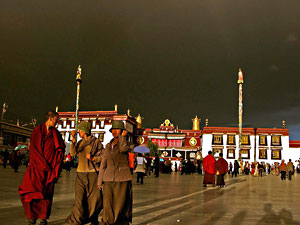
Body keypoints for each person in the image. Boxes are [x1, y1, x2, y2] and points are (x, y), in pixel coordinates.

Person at [18, 110, 65, 225]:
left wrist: (53, 168)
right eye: (56, 119)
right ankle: (32, 216)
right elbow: (34, 150)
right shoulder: (37, 131)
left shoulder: (56, 134)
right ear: (50, 118)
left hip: (49, 171)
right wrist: (44, 165)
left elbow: (60, 151)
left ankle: (43, 217)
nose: (57, 122)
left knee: (46, 195)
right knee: (31, 193)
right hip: (36, 168)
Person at [66, 121, 104, 225]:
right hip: (80, 173)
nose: (78, 132)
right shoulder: (79, 143)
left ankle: (93, 218)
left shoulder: (96, 142)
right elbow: (73, 153)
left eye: (80, 130)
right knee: (79, 199)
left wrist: (94, 158)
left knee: (95, 199)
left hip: (92, 173)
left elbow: (103, 156)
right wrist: (73, 140)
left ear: (85, 131)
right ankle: (76, 220)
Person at [97, 120, 132, 225]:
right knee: (107, 203)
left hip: (122, 178)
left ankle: (118, 222)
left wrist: (123, 137)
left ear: (122, 131)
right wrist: (100, 180)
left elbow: (123, 149)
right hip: (108, 178)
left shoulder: (127, 144)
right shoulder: (108, 145)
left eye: (117, 129)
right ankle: (106, 222)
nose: (114, 132)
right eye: (113, 130)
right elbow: (103, 163)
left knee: (119, 204)